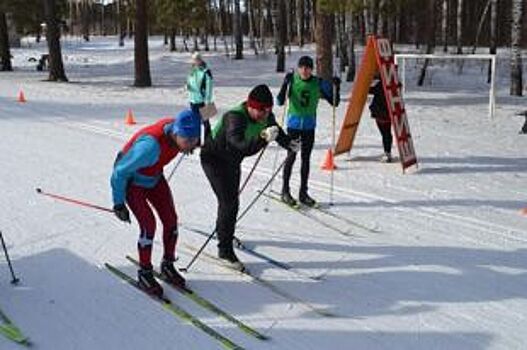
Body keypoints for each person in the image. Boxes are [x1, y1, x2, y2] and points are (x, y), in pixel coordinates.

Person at [200, 84, 299, 270]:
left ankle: (225, 233)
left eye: (268, 109)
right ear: (250, 106)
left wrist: (290, 144)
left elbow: (276, 131)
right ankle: (224, 249)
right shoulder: (234, 118)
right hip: (214, 160)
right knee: (229, 203)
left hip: (232, 162)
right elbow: (241, 146)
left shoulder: (266, 115)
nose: (265, 114)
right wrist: (263, 137)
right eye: (261, 110)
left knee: (231, 203)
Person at [110, 109, 201, 296]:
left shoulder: (180, 128)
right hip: (132, 182)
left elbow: (203, 114)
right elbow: (119, 171)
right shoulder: (150, 147)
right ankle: (144, 273)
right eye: (188, 141)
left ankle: (167, 266)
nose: (191, 146)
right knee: (148, 225)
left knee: (171, 221)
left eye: (195, 140)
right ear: (176, 133)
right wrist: (119, 203)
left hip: (154, 176)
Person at [276, 55, 340, 207]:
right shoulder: (293, 80)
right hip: (293, 126)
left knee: (306, 160)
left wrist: (337, 87)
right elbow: (279, 101)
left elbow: (334, 102)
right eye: (302, 67)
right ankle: (285, 191)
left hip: (309, 127)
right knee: (291, 157)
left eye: (308, 68)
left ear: (312, 69)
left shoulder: (318, 83)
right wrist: (285, 84)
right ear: (298, 68)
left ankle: (303, 193)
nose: (305, 71)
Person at [187, 52, 215, 137]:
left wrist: (208, 100)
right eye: (194, 60)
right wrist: (188, 87)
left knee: (206, 122)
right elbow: (189, 82)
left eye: (198, 59)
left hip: (203, 100)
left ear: (201, 60)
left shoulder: (206, 72)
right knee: (195, 121)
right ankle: (196, 140)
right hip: (193, 100)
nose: (196, 61)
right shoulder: (192, 70)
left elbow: (209, 87)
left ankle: (208, 139)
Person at [369, 75, 394, 162]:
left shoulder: (380, 85)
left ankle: (387, 153)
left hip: (381, 114)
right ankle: (388, 152)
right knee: (387, 133)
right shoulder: (393, 84)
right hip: (389, 113)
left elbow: (369, 90)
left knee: (385, 133)